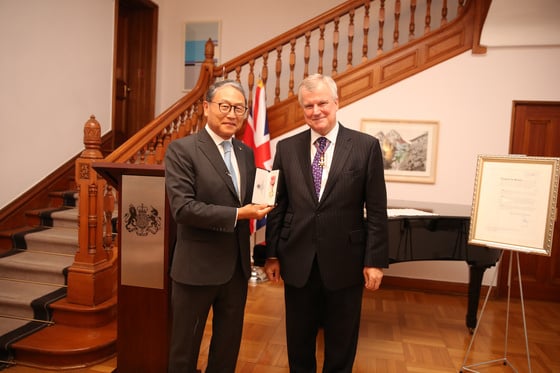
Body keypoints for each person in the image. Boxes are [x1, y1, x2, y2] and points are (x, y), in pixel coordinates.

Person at [264, 74, 389, 373]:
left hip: (346, 261)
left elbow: (376, 209)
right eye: (308, 106)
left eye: (322, 103)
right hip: (297, 260)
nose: (316, 111)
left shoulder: (365, 147)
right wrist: (271, 253)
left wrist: (374, 261)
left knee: (342, 341)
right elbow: (278, 205)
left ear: (336, 102)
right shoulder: (287, 148)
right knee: (298, 340)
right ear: (302, 109)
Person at [165, 79, 273, 373]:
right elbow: (183, 209)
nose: (231, 114)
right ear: (206, 108)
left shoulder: (245, 152)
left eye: (239, 108)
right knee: (184, 351)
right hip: (196, 270)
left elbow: (250, 199)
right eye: (224, 106)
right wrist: (239, 214)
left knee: (227, 347)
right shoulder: (182, 150)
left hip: (236, 270)